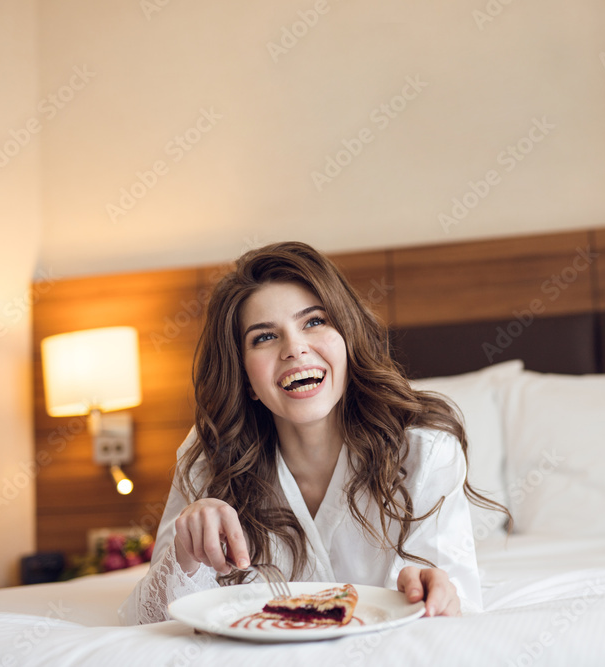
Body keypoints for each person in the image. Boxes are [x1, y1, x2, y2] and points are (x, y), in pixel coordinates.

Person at [120, 241, 505, 625]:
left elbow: (458, 613)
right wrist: (185, 556)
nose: (295, 349)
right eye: (264, 337)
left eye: (314, 321)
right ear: (247, 379)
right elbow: (145, 623)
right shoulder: (212, 454)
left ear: (348, 339)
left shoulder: (424, 451)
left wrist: (433, 593)